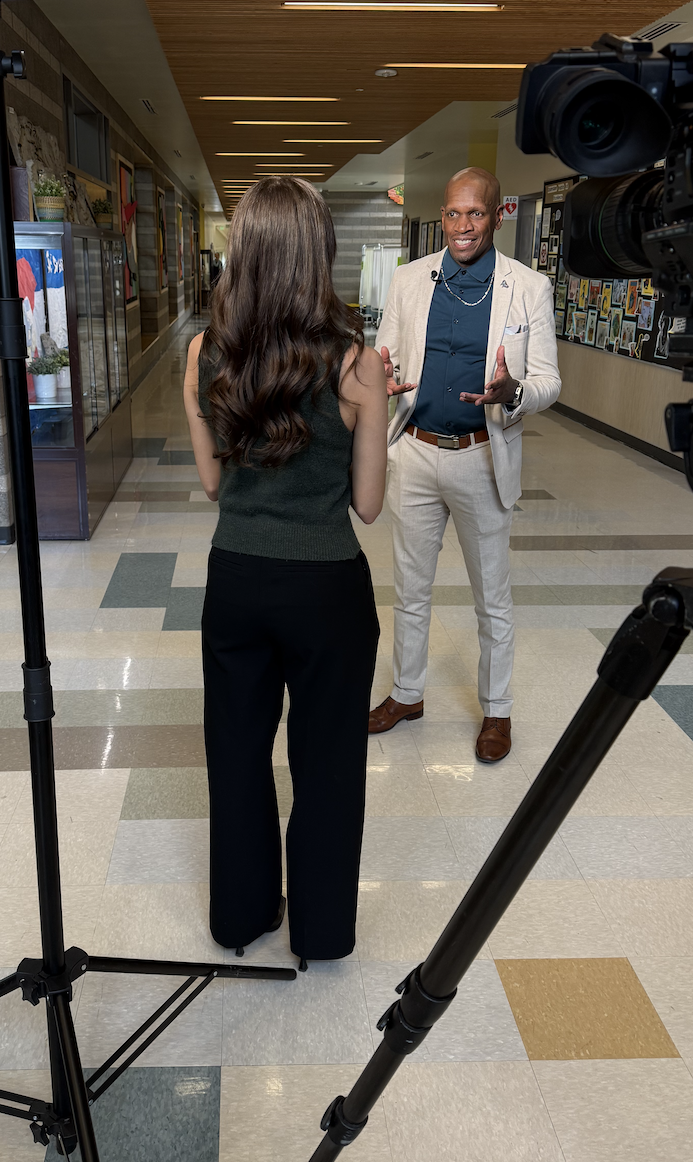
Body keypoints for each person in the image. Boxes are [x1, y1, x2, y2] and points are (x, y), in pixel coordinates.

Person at [184, 176, 388, 967]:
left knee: (236, 756)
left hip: (236, 579)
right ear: (319, 252)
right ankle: (323, 930)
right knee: (328, 763)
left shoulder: (207, 353)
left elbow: (213, 485)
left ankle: (240, 916)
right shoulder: (357, 363)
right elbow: (367, 504)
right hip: (328, 586)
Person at [370, 167, 561, 762]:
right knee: (410, 590)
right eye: (453, 213)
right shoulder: (409, 280)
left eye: (475, 213)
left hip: (482, 455)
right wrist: (378, 379)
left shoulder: (528, 287)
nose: (462, 225)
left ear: (497, 215)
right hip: (415, 451)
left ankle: (497, 711)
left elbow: (549, 380)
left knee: (492, 599)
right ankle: (407, 694)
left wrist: (513, 392)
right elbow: (383, 355)